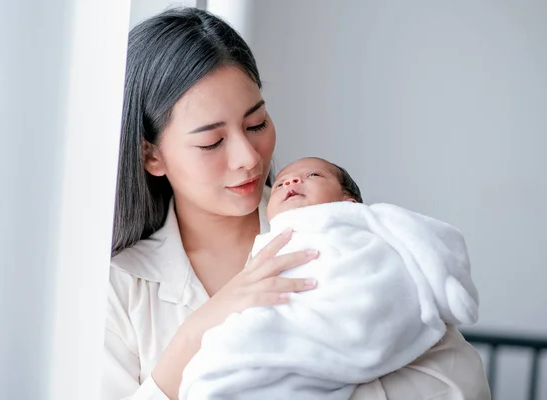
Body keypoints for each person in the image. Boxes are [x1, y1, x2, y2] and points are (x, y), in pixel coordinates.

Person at [103, 7, 491, 400]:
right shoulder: (121, 288)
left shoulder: (335, 228)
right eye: (212, 142)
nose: (249, 158)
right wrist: (196, 331)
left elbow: (461, 384)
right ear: (152, 156)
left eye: (257, 124)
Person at [179, 157, 481, 399]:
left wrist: (447, 287)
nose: (292, 181)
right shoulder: (268, 242)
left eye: (313, 176)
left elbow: (424, 240)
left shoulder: (367, 222)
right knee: (221, 357)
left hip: (353, 307)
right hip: (289, 322)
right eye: (282, 182)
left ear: (348, 200)